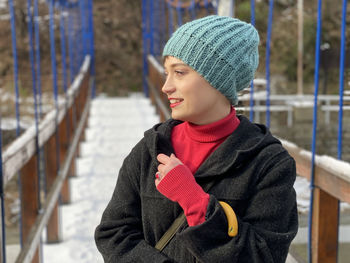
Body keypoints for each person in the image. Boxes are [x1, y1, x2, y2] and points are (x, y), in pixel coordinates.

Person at [95, 15, 298, 263]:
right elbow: (114, 234)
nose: (166, 87)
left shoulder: (269, 163)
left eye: (179, 72)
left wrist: (195, 202)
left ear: (219, 80)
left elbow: (263, 255)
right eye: (167, 73)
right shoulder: (150, 149)